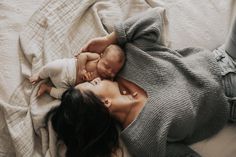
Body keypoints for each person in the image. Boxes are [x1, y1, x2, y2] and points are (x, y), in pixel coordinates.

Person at [45, 8, 234, 157]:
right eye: (93, 84)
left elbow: (154, 18)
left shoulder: (123, 62)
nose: (95, 77)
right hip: (229, 101)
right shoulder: (143, 141)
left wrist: (109, 39)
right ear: (105, 103)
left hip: (222, 58)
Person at [29, 44, 125, 99]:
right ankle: (39, 76)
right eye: (107, 66)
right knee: (52, 66)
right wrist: (81, 69)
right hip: (66, 68)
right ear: (101, 56)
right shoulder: (95, 57)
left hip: (68, 85)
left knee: (65, 96)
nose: (109, 72)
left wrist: (91, 83)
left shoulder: (105, 80)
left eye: (114, 72)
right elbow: (82, 56)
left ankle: (46, 88)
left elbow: (94, 90)